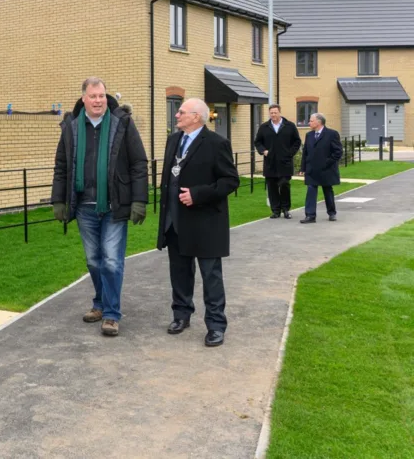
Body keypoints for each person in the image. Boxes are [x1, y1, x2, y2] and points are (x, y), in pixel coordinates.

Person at [51, 77, 148, 337]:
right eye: (93, 96)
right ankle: (100, 302)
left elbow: (139, 163)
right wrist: (58, 200)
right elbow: (62, 166)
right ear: (84, 98)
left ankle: (111, 314)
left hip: (114, 204)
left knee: (112, 261)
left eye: (102, 96)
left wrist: (139, 200)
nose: (98, 101)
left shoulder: (122, 123)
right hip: (85, 206)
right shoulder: (71, 127)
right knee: (94, 261)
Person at [158, 98, 239, 348]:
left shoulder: (217, 144)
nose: (177, 115)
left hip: (205, 223)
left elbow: (230, 181)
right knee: (179, 273)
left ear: (196, 116)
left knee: (210, 276)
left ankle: (215, 325)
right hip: (175, 221)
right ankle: (181, 315)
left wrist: (198, 194)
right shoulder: (174, 141)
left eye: (181, 112)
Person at [253, 104, 302, 219]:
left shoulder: (289, 126)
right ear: (269, 113)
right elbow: (257, 142)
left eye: (275, 112)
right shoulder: (264, 127)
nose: (273, 115)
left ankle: (286, 209)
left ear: (279, 112)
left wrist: (290, 153)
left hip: (285, 162)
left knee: (284, 184)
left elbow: (297, 141)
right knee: (272, 187)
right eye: (271, 113)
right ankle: (275, 211)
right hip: (270, 163)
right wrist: (263, 151)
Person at [299, 113, 343, 223]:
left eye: (311, 121)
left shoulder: (332, 134)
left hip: (326, 169)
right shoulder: (309, 135)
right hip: (312, 169)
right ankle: (310, 215)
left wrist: (327, 162)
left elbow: (338, 152)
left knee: (327, 190)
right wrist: (303, 168)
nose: (309, 123)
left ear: (319, 122)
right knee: (311, 190)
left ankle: (332, 213)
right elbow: (306, 153)